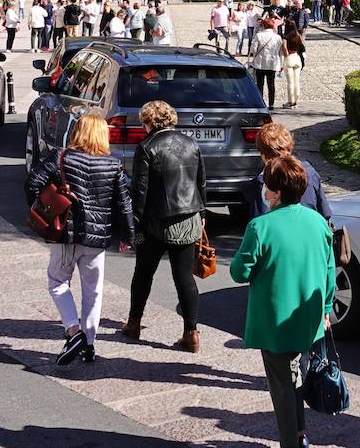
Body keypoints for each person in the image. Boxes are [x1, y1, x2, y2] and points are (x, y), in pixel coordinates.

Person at [230, 156, 335, 448]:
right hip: (309, 315)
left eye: (267, 185)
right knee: (296, 375)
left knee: (282, 385)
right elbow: (330, 272)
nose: (264, 190)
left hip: (275, 319)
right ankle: (299, 434)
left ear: (275, 191)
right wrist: (326, 308)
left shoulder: (260, 226)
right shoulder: (317, 222)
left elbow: (240, 271)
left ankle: (292, 441)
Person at [24, 113, 136, 366]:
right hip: (96, 240)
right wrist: (130, 235)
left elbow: (32, 183)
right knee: (93, 292)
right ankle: (89, 344)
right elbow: (124, 203)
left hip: (65, 234)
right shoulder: (113, 164)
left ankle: (73, 331)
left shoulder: (61, 157)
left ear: (77, 132)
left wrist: (43, 208)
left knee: (57, 283)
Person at [122, 101, 206, 353]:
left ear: (148, 123)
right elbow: (201, 180)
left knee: (143, 274)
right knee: (184, 278)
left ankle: (134, 323)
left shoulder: (146, 147)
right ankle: (191, 333)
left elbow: (140, 191)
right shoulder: (191, 144)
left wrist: (133, 226)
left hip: (156, 221)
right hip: (188, 216)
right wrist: (202, 213)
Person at [250, 123, 329, 220]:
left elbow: (259, 223)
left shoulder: (263, 183)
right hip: (310, 230)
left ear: (264, 155)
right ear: (290, 148)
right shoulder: (309, 173)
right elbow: (325, 214)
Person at [249, 17, 287, 109]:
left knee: (260, 84)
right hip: (272, 63)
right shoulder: (277, 37)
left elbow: (253, 50)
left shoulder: (259, 35)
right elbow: (281, 52)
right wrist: (282, 64)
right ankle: (271, 104)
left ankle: (261, 102)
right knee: (271, 84)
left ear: (263, 25)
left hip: (260, 63)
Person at [282, 22, 306, 109]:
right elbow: (302, 48)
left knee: (290, 82)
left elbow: (284, 48)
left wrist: (286, 56)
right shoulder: (298, 36)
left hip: (289, 57)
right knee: (297, 81)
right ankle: (296, 100)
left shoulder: (286, 37)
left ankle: (290, 101)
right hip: (297, 58)